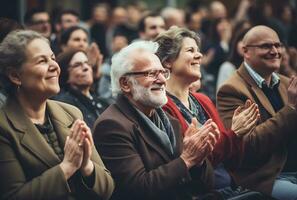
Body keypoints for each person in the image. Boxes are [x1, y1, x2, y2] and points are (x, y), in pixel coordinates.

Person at [93, 40, 222, 200]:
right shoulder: (112, 126)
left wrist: (199, 160)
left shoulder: (169, 120)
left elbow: (206, 185)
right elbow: (139, 188)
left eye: (163, 72)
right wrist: (186, 159)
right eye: (151, 74)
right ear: (126, 84)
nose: (162, 80)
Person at [0, 30, 114, 200]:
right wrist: (66, 167)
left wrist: (86, 166)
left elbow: (107, 188)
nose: (54, 66)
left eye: (53, 58)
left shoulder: (71, 113)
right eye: (42, 61)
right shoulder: (4, 126)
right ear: (15, 76)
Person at [155, 26, 267, 199]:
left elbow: (230, 161)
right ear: (168, 61)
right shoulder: (162, 106)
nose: (199, 56)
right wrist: (233, 134)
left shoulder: (203, 100)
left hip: (229, 185)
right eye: (190, 50)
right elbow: (196, 161)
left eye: (198, 51)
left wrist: (239, 135)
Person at [217, 25, 297, 199]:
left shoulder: (285, 83)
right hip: (265, 177)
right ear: (246, 52)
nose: (275, 51)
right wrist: (290, 109)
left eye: (278, 45)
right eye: (266, 46)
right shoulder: (231, 89)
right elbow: (248, 146)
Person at [54, 49, 109, 129]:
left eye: (87, 63)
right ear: (66, 74)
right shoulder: (65, 105)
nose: (86, 68)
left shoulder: (103, 102)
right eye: (77, 65)